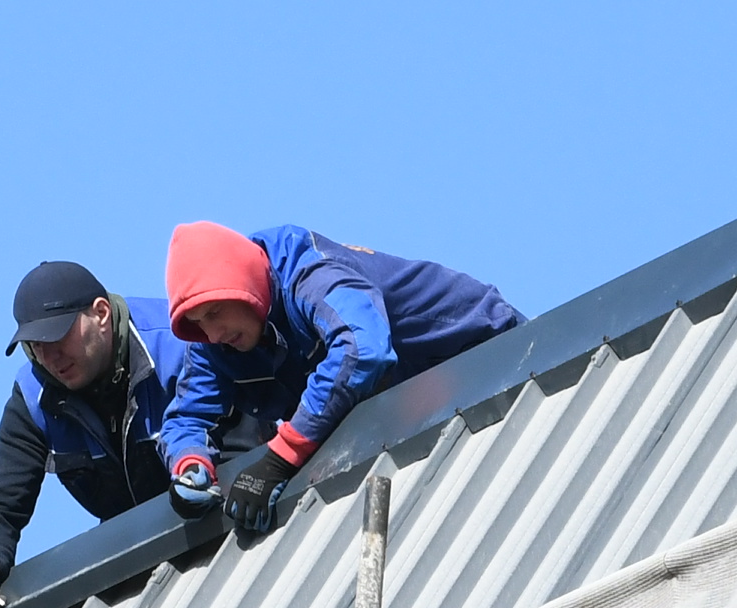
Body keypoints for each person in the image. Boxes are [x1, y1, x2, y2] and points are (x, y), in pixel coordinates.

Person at [154, 221, 520, 524]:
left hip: (495, 356)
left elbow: (363, 348)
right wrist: (190, 465)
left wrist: (281, 456)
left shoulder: (310, 272)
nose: (212, 334)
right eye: (199, 324)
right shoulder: (214, 344)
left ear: (244, 286)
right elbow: (185, 417)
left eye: (215, 312)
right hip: (407, 418)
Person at [0, 261, 180, 608]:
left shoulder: (176, 343)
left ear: (101, 314)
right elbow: (0, 502)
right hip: (142, 575)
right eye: (35, 346)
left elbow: (244, 444)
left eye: (58, 338)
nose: (49, 358)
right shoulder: (33, 396)